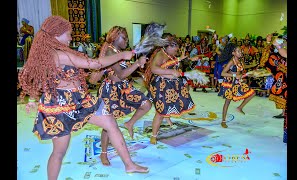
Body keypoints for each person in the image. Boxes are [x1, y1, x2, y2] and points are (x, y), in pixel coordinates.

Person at [18, 16, 149, 180]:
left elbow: (37, 76)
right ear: (57, 34)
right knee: (59, 152)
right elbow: (95, 64)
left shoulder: (53, 52)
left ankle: (129, 164)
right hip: (61, 107)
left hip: (80, 100)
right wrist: (122, 55)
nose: (71, 38)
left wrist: (31, 99)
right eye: (69, 34)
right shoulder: (59, 54)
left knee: (110, 123)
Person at [89, 25, 151, 166]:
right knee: (108, 124)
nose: (127, 40)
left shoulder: (118, 51)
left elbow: (125, 73)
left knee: (146, 104)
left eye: (127, 38)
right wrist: (136, 63)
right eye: (124, 37)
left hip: (123, 88)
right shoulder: (110, 51)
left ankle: (129, 123)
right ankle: (103, 154)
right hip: (110, 91)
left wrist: (137, 69)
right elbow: (121, 74)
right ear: (115, 36)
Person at [144, 33, 199, 144]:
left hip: (170, 85)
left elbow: (171, 63)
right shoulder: (160, 54)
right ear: (167, 46)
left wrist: (182, 59)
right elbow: (154, 68)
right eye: (175, 47)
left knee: (173, 105)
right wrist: (170, 72)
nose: (177, 49)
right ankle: (154, 135)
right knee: (160, 112)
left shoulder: (169, 55)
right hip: (161, 86)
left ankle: (167, 118)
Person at [218, 43, 256, 128]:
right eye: (238, 51)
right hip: (230, 82)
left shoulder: (241, 61)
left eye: (241, 51)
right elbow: (223, 73)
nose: (241, 52)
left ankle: (240, 107)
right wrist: (235, 76)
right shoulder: (231, 62)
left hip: (238, 81)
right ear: (233, 53)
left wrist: (252, 71)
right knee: (227, 102)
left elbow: (242, 71)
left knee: (252, 93)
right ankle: (223, 121)